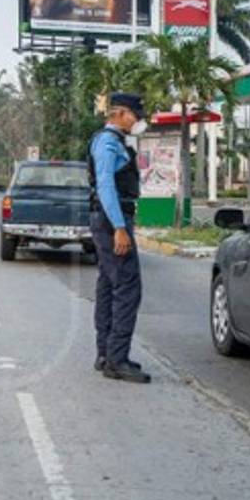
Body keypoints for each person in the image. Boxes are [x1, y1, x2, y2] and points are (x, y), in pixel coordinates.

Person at [88, 92, 151, 384]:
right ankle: (116, 358)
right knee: (127, 288)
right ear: (120, 113)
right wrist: (119, 228)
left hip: (109, 219)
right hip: (112, 219)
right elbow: (105, 187)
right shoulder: (107, 142)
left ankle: (106, 354)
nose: (138, 120)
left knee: (108, 284)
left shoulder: (114, 141)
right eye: (135, 115)